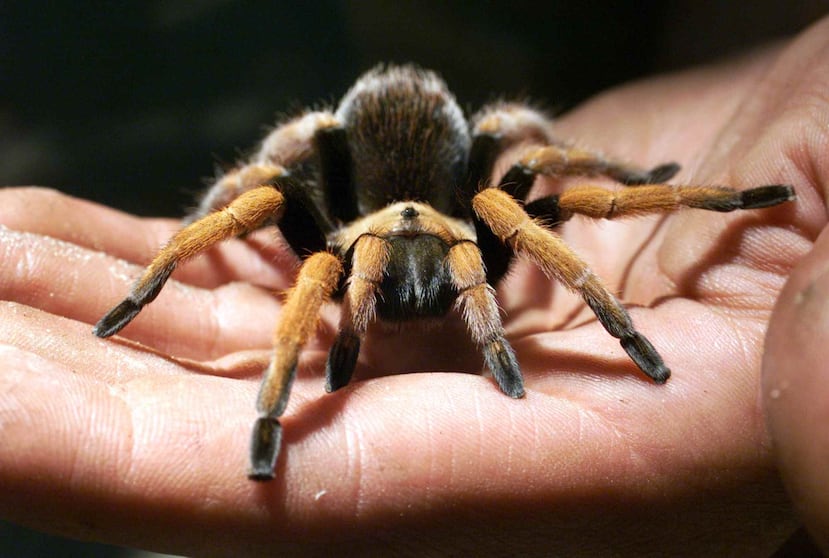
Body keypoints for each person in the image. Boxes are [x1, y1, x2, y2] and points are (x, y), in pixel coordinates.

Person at [1, 17, 827, 557]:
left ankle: (648, 262)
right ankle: (266, 411)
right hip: (370, 181)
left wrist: (656, 191)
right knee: (277, 177)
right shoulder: (331, 246)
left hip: (448, 185)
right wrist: (194, 241)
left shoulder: (485, 210)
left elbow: (533, 147)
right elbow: (277, 160)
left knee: (525, 166)